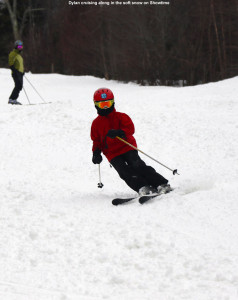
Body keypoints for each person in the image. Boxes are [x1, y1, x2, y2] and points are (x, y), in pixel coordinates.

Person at [90, 87, 172, 196]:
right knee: (124, 171)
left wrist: (119, 132)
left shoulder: (121, 117)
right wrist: (96, 153)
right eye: (102, 104)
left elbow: (130, 129)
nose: (105, 107)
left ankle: (161, 184)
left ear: (113, 102)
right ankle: (143, 187)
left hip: (127, 146)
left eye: (108, 103)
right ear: (96, 105)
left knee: (137, 165)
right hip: (112, 153)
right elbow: (96, 141)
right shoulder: (96, 124)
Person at [8, 40, 24, 105]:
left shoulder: (19, 55)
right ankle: (12, 99)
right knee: (18, 85)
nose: (20, 48)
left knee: (20, 87)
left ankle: (13, 99)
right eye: (19, 46)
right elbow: (11, 64)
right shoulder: (13, 54)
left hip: (20, 73)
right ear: (16, 47)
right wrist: (15, 71)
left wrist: (22, 71)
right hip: (15, 73)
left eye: (21, 47)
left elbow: (20, 64)